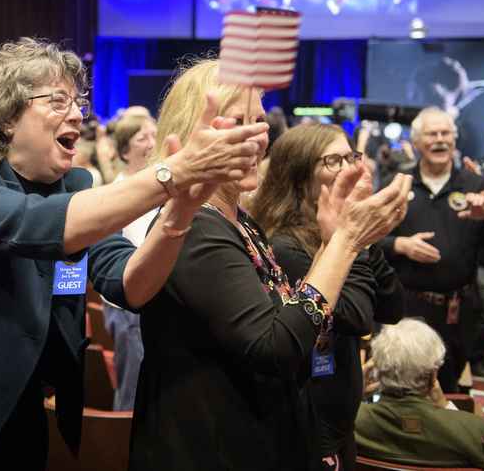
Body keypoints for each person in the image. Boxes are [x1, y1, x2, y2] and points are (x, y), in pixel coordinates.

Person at [0, 38, 270, 470]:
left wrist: (180, 211)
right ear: (8, 116)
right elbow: (30, 223)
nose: (78, 113)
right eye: (58, 100)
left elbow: (130, 285)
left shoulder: (76, 188)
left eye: (79, 101)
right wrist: (174, 172)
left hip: (14, 416)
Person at [128, 58, 412, 471]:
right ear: (194, 131)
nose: (256, 137)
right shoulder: (196, 227)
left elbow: (292, 312)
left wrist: (332, 239)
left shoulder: (238, 220)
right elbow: (275, 347)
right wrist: (346, 242)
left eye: (259, 121)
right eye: (237, 121)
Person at [251, 123, 405, 471]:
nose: (350, 169)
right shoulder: (283, 245)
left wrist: (360, 238)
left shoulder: (340, 237)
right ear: (300, 175)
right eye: (333, 160)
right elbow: (356, 317)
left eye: (351, 157)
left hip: (338, 419)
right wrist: (352, 240)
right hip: (309, 422)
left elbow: (392, 308)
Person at [378, 107, 484, 392]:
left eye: (446, 133)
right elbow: (364, 238)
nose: (440, 140)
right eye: (432, 134)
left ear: (454, 140)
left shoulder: (476, 184)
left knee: (451, 390)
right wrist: (399, 244)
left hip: (459, 313)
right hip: (405, 308)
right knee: (400, 390)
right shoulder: (398, 183)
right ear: (416, 142)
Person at [355, 318, 484, 471]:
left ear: (376, 370)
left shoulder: (351, 422)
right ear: (433, 375)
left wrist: (355, 392)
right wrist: (445, 404)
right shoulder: (473, 432)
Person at [102, 110, 158, 411]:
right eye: (142, 137)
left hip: (156, 302)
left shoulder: (161, 187)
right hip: (127, 309)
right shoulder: (116, 193)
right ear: (125, 150)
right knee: (132, 391)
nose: (152, 142)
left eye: (154, 135)